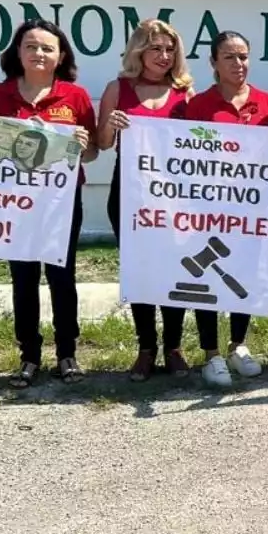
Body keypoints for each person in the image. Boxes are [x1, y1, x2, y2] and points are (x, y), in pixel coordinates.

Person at [0, 19, 97, 387]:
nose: (39, 53)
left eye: (48, 48)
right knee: (23, 278)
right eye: (31, 46)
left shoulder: (75, 96)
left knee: (62, 277)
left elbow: (92, 152)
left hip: (62, 202)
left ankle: (67, 353)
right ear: (18, 51)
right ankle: (29, 356)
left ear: (61, 55)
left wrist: (80, 144)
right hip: (16, 203)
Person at [182, 30, 268, 388]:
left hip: (251, 208)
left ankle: (238, 346)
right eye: (230, 57)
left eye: (244, 56)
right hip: (210, 207)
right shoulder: (199, 106)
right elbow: (185, 155)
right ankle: (211, 354)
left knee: (244, 273)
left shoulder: (265, 103)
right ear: (214, 62)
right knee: (206, 276)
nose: (239, 64)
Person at [94, 19, 197, 381]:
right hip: (129, 191)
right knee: (139, 271)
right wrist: (112, 124)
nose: (164, 56)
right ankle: (145, 348)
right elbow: (103, 143)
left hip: (176, 196)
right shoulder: (117, 88)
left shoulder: (186, 92)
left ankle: (174, 346)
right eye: (156, 48)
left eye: (170, 50)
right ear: (140, 50)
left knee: (175, 269)